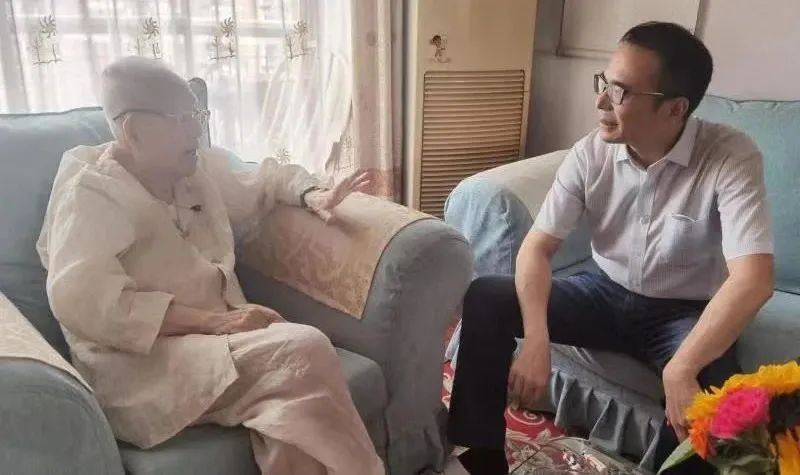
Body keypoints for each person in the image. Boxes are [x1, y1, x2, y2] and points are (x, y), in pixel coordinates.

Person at [447, 22, 775, 475]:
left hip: (684, 312)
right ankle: (479, 457)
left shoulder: (729, 157)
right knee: (486, 295)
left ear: (675, 109)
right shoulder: (591, 153)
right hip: (603, 293)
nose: (601, 102)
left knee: (713, 398)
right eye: (604, 82)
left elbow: (753, 280)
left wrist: (680, 368)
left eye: (620, 91)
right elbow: (536, 248)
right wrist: (537, 339)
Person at [37, 56, 384, 475]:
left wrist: (313, 194)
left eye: (197, 116)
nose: (196, 130)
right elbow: (85, 303)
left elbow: (266, 179)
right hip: (139, 367)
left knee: (290, 409)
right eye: (182, 119)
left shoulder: (193, 169)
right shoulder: (91, 195)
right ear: (134, 131)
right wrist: (218, 323)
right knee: (303, 349)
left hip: (212, 342)